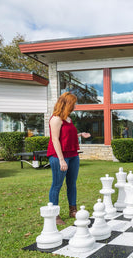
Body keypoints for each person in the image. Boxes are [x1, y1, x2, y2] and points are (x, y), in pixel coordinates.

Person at [47, 92, 91, 225]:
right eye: (73, 103)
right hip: (59, 156)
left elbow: (66, 136)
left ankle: (73, 210)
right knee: (57, 185)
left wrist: (80, 134)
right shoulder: (56, 119)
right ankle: (54, 214)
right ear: (66, 103)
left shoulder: (68, 119)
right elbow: (55, 140)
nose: (75, 106)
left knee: (72, 184)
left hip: (73, 155)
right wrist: (61, 159)